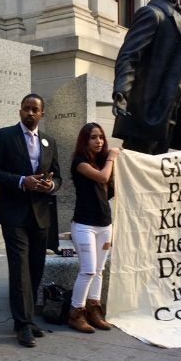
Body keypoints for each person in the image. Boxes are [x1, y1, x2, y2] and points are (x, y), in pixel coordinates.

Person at [0, 94, 61, 348]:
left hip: (40, 215)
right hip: (13, 214)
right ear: (20, 111)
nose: (30, 113)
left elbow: (59, 177)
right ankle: (22, 325)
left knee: (36, 268)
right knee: (19, 269)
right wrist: (21, 181)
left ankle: (28, 317)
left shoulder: (49, 141)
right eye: (26, 109)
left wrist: (51, 185)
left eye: (35, 110)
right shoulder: (4, 136)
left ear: (42, 114)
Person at [111, 0, 181, 155]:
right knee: (141, 174)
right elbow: (129, 56)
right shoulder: (151, 13)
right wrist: (121, 91)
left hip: (169, 113)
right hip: (148, 113)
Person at [67, 123, 119, 333]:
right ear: (84, 141)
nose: (99, 141)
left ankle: (94, 309)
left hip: (105, 224)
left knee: (99, 270)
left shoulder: (102, 162)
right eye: (93, 138)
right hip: (84, 225)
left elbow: (108, 188)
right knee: (88, 270)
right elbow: (103, 177)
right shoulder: (79, 163)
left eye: (101, 138)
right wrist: (112, 157)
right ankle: (75, 312)